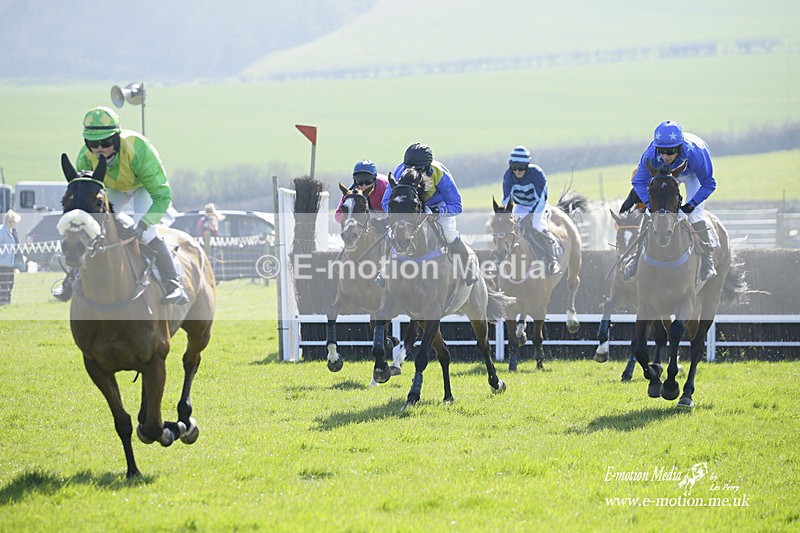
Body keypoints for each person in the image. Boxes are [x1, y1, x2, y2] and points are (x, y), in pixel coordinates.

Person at [52, 106, 189, 304]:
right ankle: (70, 280)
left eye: (106, 142)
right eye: (92, 143)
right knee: (91, 230)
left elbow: (161, 195)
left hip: (144, 187)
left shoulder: (138, 149)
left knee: (147, 232)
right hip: (113, 188)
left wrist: (145, 222)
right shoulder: (84, 157)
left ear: (116, 139)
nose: (99, 148)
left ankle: (173, 284)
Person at [623, 120, 717, 281]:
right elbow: (638, 182)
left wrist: (689, 205)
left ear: (679, 148)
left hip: (693, 174)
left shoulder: (696, 153)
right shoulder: (651, 155)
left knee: (694, 215)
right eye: (662, 151)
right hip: (666, 176)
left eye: (671, 151)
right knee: (649, 212)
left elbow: (709, 184)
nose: (665, 156)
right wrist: (649, 205)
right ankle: (637, 256)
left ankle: (708, 260)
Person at [381, 142, 476, 285]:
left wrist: (436, 212)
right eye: (409, 168)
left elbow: (457, 205)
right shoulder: (400, 172)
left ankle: (468, 269)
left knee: (449, 234)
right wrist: (399, 215)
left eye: (418, 169)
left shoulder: (440, 173)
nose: (413, 172)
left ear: (427, 167)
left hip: (438, 208)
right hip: (411, 211)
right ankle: (384, 270)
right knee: (391, 235)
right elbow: (386, 201)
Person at [501, 145, 562, 276]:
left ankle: (553, 261)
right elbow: (506, 198)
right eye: (514, 167)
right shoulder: (508, 176)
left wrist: (531, 214)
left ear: (527, 166)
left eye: (521, 167)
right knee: (513, 227)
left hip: (538, 206)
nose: (517, 171)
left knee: (536, 225)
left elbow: (541, 198)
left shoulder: (537, 174)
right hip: (521, 206)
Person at [334, 159, 389, 232]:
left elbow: (397, 212)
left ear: (374, 179)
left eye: (368, 180)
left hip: (386, 214)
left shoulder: (384, 186)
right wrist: (352, 219)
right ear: (354, 181)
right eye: (359, 180)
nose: (364, 185)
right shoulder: (351, 192)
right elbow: (338, 215)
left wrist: (385, 221)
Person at [0, 210, 24, 305]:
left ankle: (7, 302)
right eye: (10, 221)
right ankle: (4, 302)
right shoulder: (2, 231)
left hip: (10, 264)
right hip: (2, 263)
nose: (11, 223)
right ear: (6, 221)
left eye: (13, 221)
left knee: (10, 284)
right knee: (4, 284)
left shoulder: (13, 232)